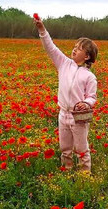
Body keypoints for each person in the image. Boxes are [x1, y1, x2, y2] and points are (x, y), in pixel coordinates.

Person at [33, 16, 98, 173]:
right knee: (65, 148)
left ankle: (84, 175)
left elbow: (92, 97)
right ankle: (67, 171)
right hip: (63, 114)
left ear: (87, 56)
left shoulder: (89, 76)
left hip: (79, 118)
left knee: (82, 149)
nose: (74, 49)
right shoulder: (63, 64)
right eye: (74, 46)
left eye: (79, 48)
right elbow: (51, 47)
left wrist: (87, 103)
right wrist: (42, 29)